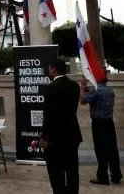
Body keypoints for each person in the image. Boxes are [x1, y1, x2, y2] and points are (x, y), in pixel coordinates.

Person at [40, 57, 82, 194]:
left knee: (56, 173)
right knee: (72, 171)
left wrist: (44, 137)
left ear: (53, 69)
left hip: (55, 138)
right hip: (72, 135)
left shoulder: (50, 88)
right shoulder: (74, 86)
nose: (48, 71)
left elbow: (48, 115)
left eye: (49, 68)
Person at [80, 77, 122, 185]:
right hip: (109, 122)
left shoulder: (96, 91)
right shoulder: (110, 91)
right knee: (112, 149)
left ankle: (102, 177)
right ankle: (116, 175)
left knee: (101, 150)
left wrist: (82, 87)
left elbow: (83, 100)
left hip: (98, 123)